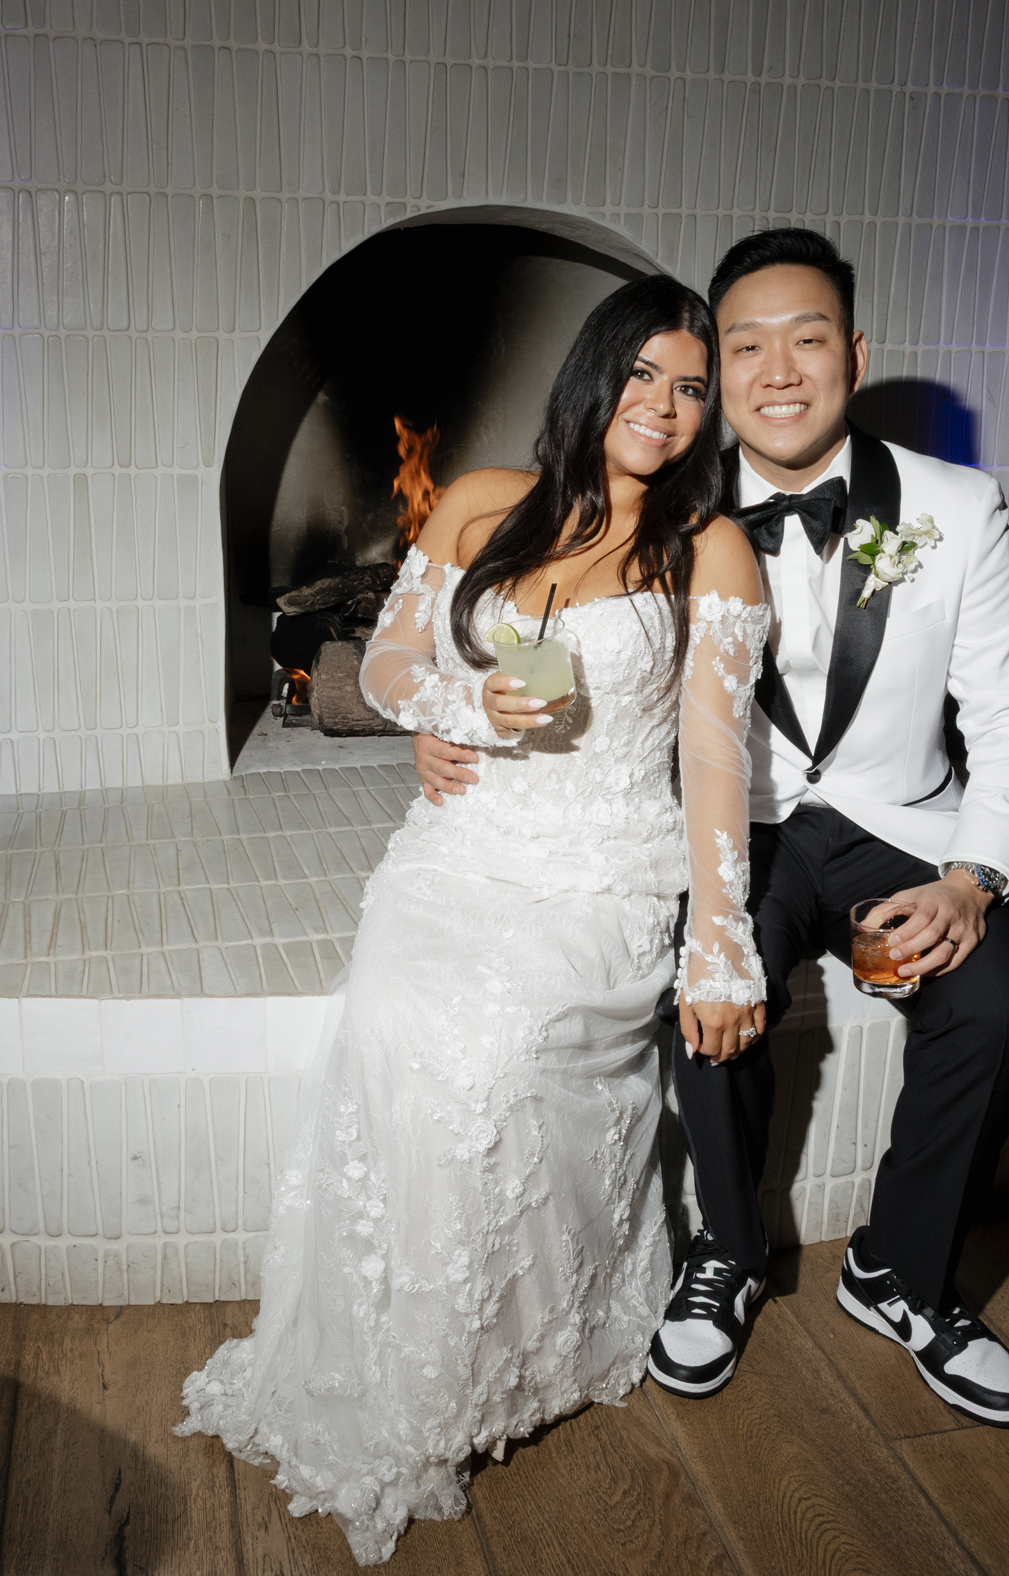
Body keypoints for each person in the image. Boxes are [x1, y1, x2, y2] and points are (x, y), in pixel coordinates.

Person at [414, 230, 1009, 1431]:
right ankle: (730, 1248)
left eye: (805, 340)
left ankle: (902, 1275)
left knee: (1004, 1003)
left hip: (894, 820)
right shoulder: (662, 497)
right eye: (742, 347)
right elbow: (519, 619)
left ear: (853, 355)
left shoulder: (956, 508)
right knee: (707, 981)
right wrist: (447, 712)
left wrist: (974, 875)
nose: (775, 371)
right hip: (740, 818)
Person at [177, 275, 770, 1565]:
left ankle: (492, 1358)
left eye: (689, 388)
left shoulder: (707, 549)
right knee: (395, 1021)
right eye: (642, 374)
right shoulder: (481, 501)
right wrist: (457, 710)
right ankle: (393, 1357)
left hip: (607, 872)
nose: (662, 408)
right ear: (593, 370)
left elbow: (718, 760)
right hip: (461, 849)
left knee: (489, 1048)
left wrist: (723, 936)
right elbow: (387, 662)